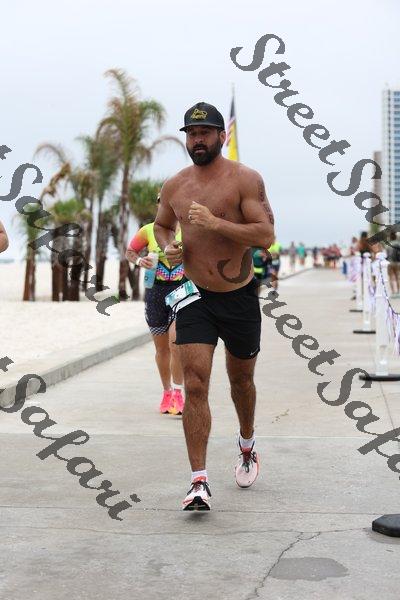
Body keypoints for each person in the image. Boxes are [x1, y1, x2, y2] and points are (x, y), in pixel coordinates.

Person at [154, 101, 274, 511]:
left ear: (222, 136)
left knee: (241, 381)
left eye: (204, 132)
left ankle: (247, 443)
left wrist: (214, 223)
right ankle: (198, 481)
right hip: (194, 295)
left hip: (239, 296)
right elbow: (162, 224)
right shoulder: (175, 185)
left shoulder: (245, 179)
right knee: (194, 383)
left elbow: (266, 235)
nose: (197, 140)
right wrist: (169, 246)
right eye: (191, 133)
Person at [125, 204, 185, 416]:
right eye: (162, 200)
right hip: (155, 292)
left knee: (176, 343)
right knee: (162, 349)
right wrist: (140, 260)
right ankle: (167, 392)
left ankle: (178, 393)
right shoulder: (148, 230)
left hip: (180, 290)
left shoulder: (188, 230)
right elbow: (130, 251)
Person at [386, 231, 400, 297]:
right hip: (397, 262)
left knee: (391, 278)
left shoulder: (388, 245)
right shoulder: (398, 244)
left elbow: (387, 254)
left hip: (390, 262)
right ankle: (398, 291)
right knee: (398, 277)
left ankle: (393, 292)